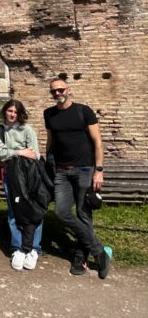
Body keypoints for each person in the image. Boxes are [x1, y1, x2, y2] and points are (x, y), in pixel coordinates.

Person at [44, 79, 110, 278]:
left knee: (83, 214)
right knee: (62, 211)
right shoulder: (49, 114)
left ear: (68, 90)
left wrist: (99, 170)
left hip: (85, 170)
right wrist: (49, 163)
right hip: (61, 172)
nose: (57, 93)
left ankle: (81, 257)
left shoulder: (84, 111)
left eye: (60, 90)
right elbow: (50, 141)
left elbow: (98, 142)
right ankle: (99, 251)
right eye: (54, 91)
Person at [0, 99, 43, 270]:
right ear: (5, 111)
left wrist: (13, 153)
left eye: (15, 112)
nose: (12, 114)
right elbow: (0, 153)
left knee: (34, 209)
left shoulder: (27, 130)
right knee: (14, 210)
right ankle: (17, 247)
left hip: (29, 175)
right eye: (10, 111)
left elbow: (35, 154)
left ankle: (33, 248)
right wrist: (21, 151)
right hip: (10, 175)